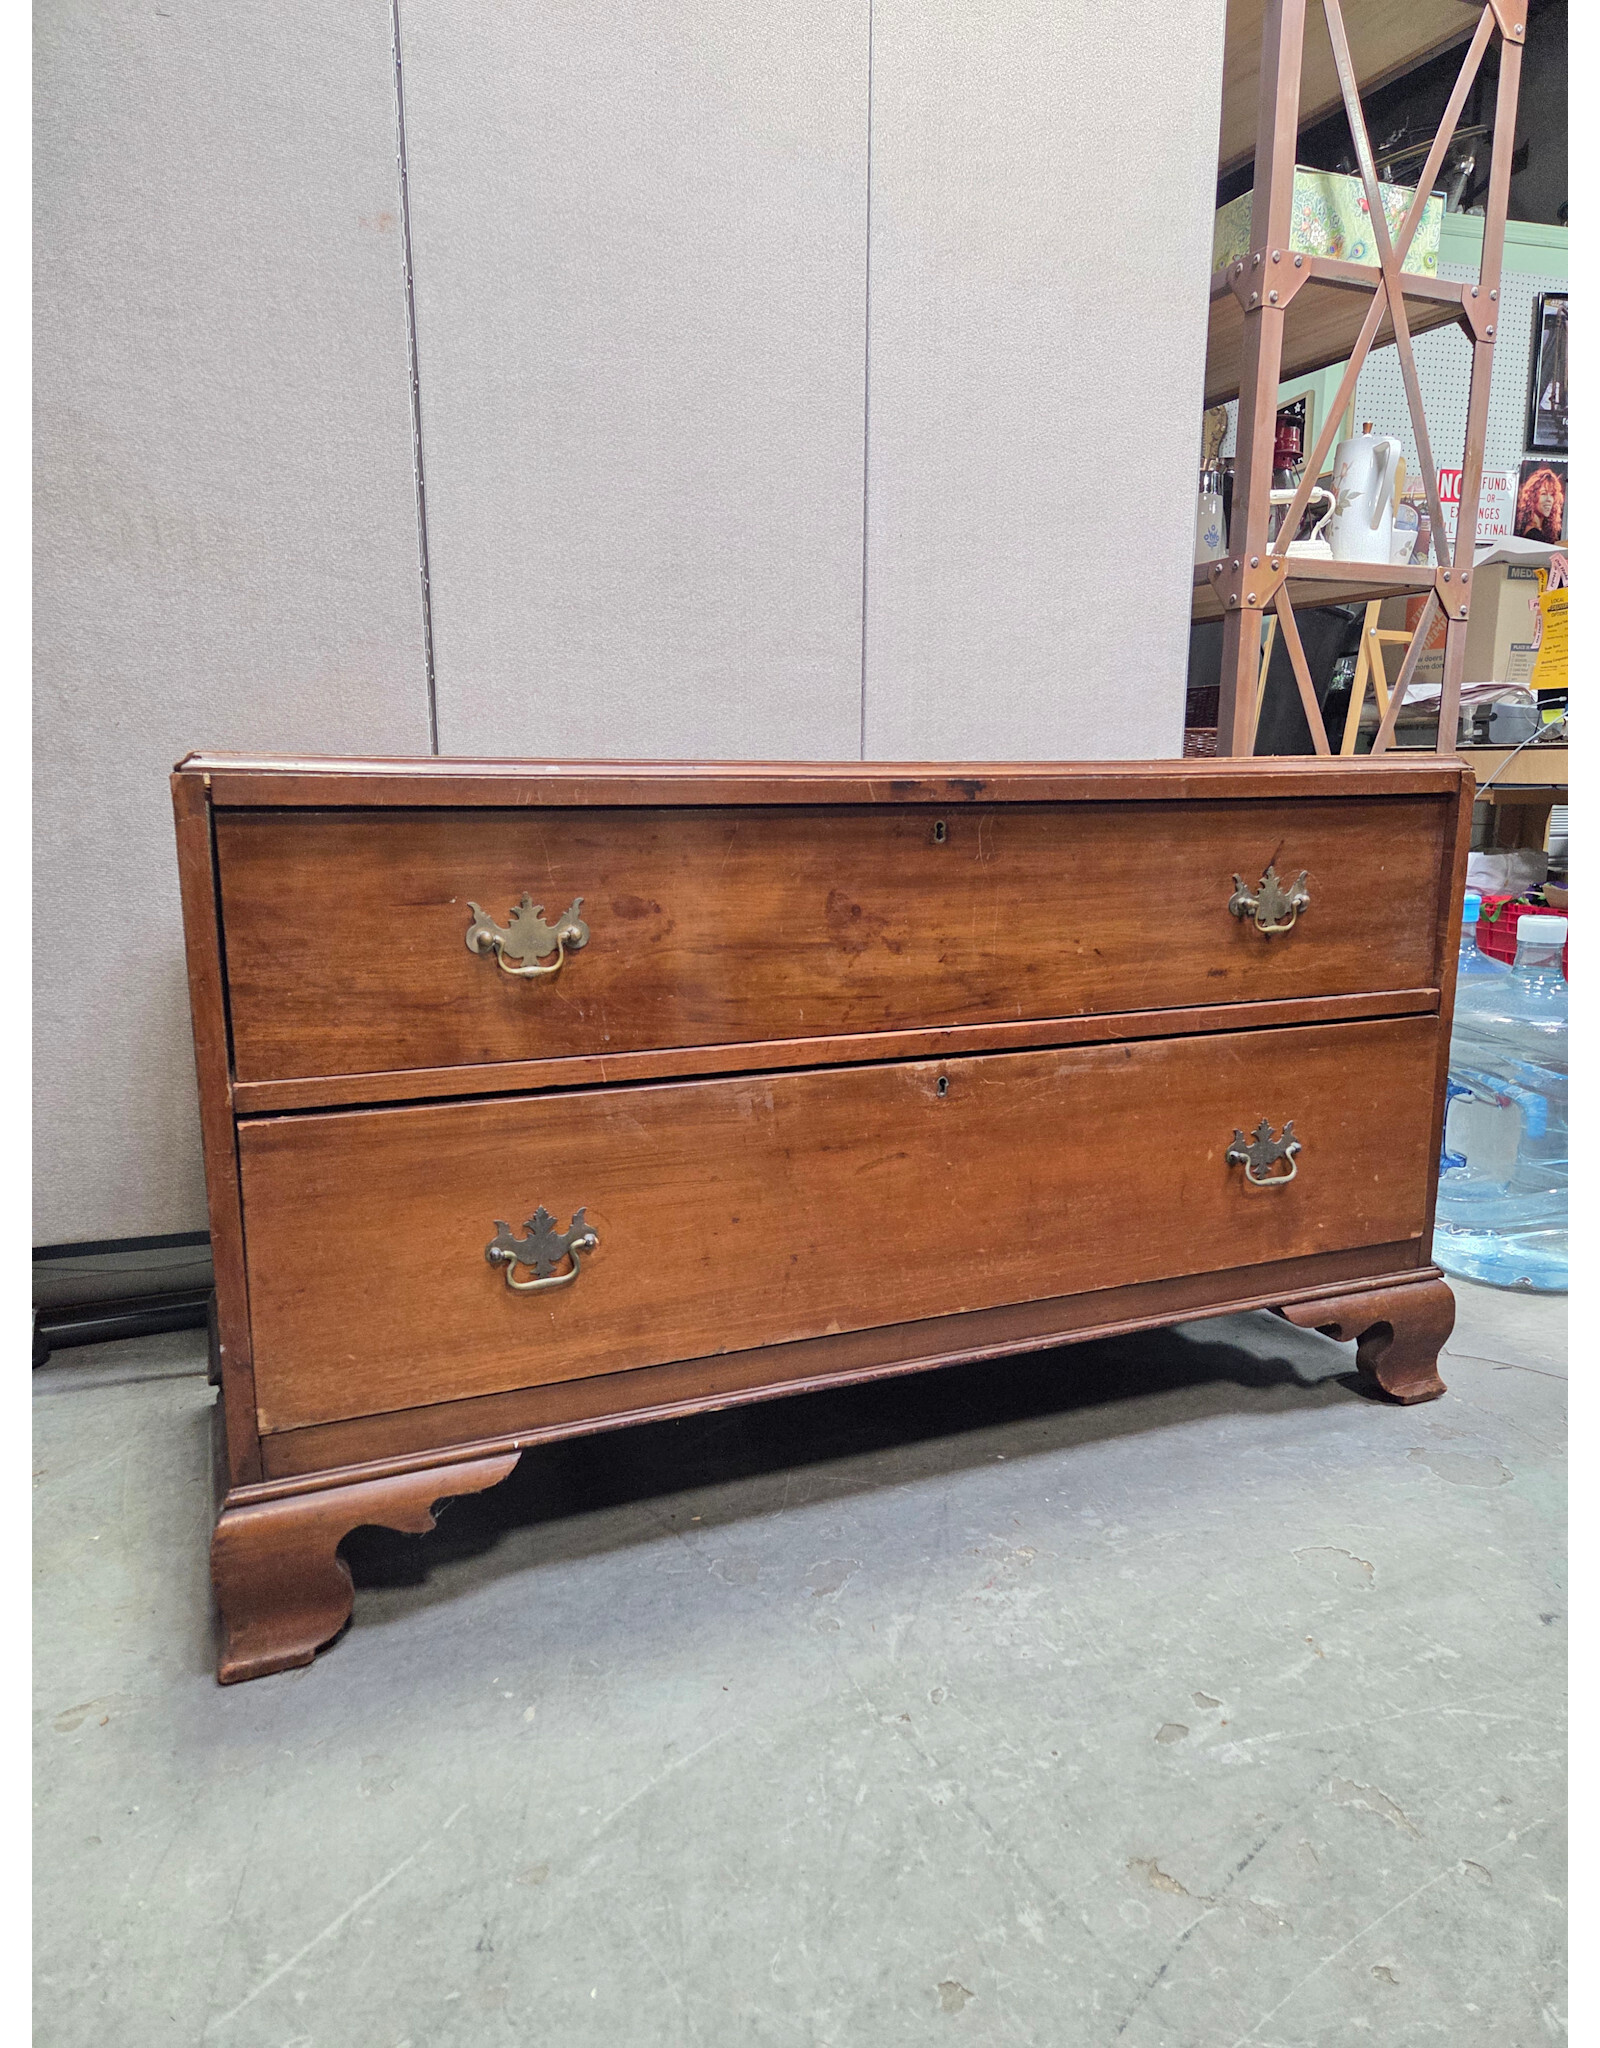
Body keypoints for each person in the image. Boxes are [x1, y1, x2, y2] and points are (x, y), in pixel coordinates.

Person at [1515, 465, 1566, 544]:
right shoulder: (1533, 534)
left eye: (1552, 494)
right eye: (1543, 494)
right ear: (1532, 497)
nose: (1549, 499)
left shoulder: (1542, 531)